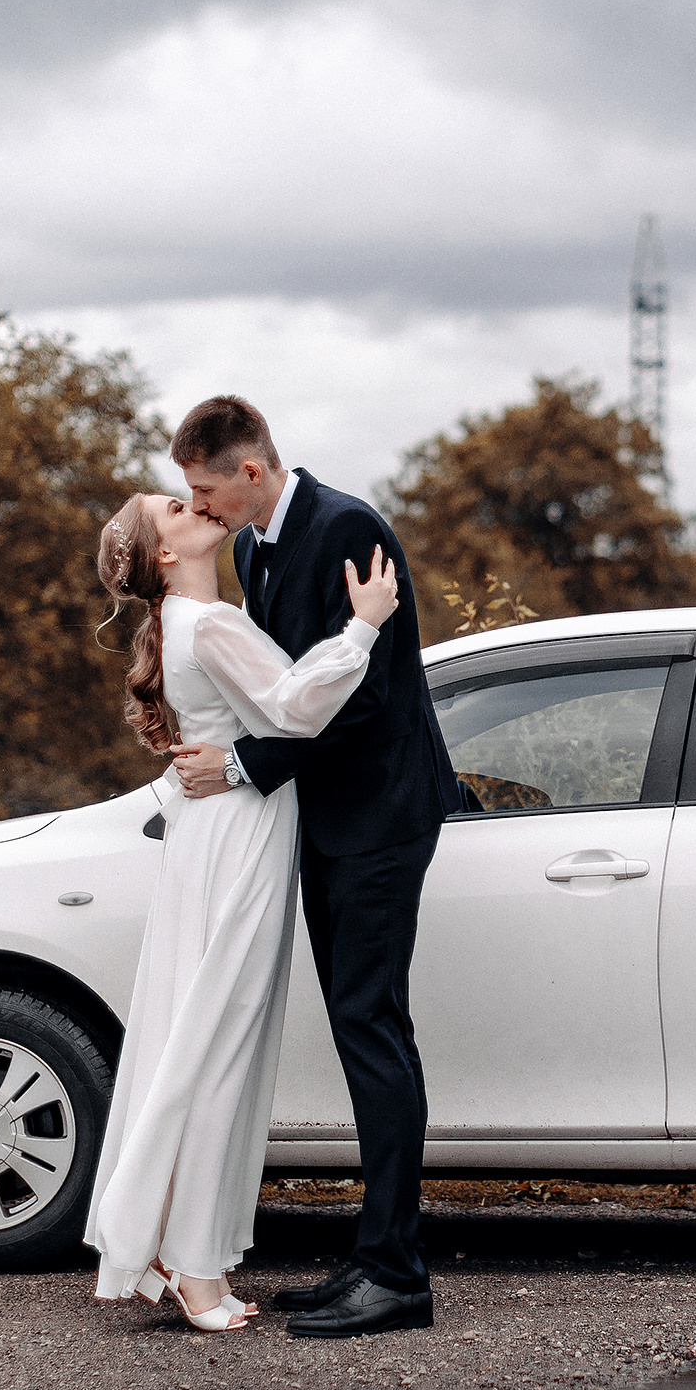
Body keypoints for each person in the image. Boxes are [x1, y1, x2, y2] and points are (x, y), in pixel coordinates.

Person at [167, 395, 460, 1339]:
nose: (200, 508)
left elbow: (363, 696)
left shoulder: (348, 525)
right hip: (325, 819)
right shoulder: (252, 551)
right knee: (356, 1026)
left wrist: (245, 767)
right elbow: (293, 691)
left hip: (380, 817)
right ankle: (373, 1255)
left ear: (251, 472)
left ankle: (397, 1275)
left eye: (206, 490)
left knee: (371, 1027)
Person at [83, 488, 400, 1331]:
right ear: (163, 553)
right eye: (175, 509)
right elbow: (298, 706)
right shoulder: (207, 622)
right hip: (242, 836)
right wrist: (364, 625)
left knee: (198, 1033)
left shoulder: (195, 619)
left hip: (216, 833)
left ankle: (171, 1242)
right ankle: (193, 1267)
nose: (196, 507)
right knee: (219, 1042)